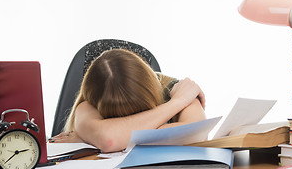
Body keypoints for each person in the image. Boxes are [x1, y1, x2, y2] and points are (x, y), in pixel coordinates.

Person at [50, 49, 206, 153]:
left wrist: (91, 138)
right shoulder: (87, 106)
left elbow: (197, 133)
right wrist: (177, 103)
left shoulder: (177, 88)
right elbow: (110, 140)